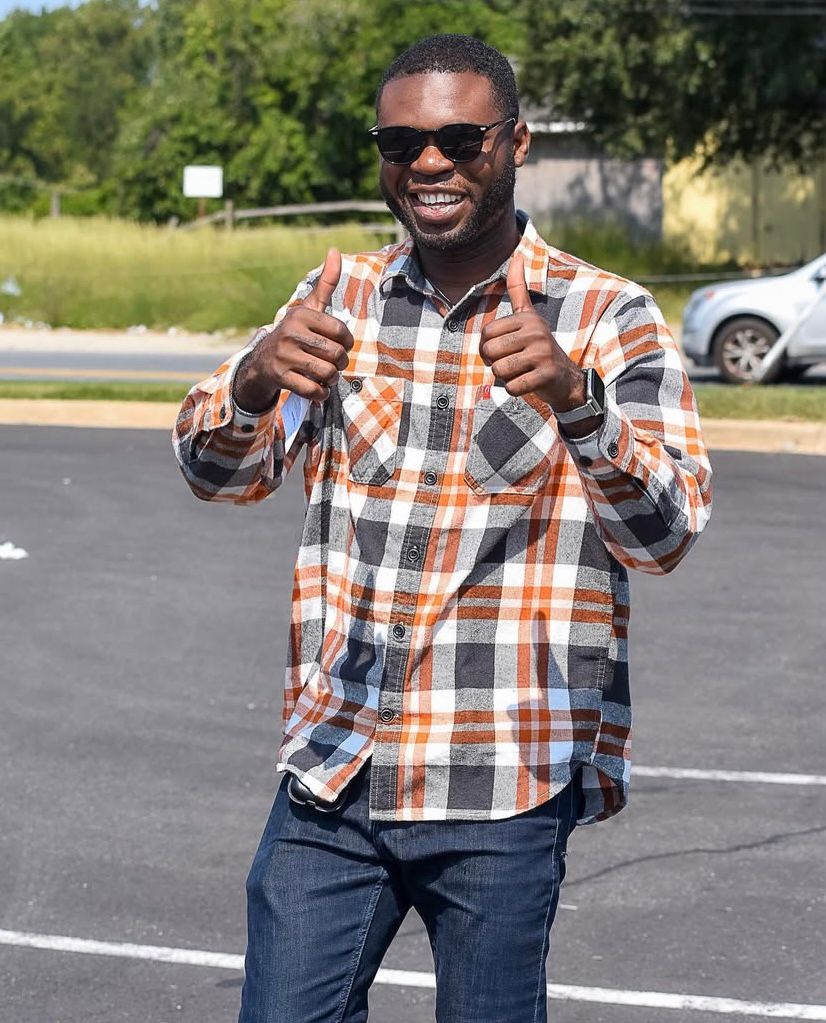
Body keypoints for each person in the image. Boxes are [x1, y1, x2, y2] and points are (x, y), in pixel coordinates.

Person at [173, 33, 712, 1023]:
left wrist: (575, 399)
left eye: (460, 139)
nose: (428, 162)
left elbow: (667, 532)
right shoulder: (339, 296)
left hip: (501, 783)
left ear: (515, 144)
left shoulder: (607, 316)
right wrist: (250, 382)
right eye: (401, 139)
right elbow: (219, 473)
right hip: (334, 773)